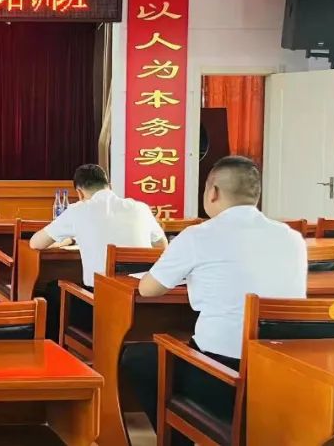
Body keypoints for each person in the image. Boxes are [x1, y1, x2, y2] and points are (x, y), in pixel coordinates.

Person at [122, 156, 307, 445]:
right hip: (282, 375)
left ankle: (178, 439)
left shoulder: (198, 236)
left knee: (138, 358)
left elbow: (148, 289)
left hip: (221, 377)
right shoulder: (292, 238)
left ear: (213, 192)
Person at [29, 164, 167, 341]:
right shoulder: (140, 208)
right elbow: (162, 246)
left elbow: (36, 243)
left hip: (100, 309)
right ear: (109, 186)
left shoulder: (78, 209)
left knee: (52, 289)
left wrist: (71, 239)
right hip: (144, 307)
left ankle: (54, 350)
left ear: (79, 193)